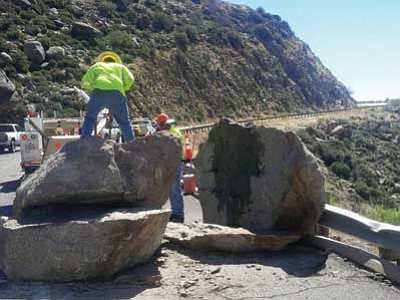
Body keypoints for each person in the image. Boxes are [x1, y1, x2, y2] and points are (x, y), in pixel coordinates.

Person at [80, 51, 135, 142]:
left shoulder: (97, 66)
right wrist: (124, 88)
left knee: (90, 118)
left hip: (98, 92)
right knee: (124, 121)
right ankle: (131, 143)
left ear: (102, 60)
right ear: (116, 61)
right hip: (117, 93)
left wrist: (92, 87)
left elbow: (84, 82)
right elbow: (131, 79)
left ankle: (84, 141)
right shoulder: (121, 67)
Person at [156, 113, 184, 223]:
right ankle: (176, 213)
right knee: (172, 189)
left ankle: (178, 214)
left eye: (160, 125)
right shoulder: (172, 132)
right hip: (169, 164)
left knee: (174, 189)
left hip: (173, 164)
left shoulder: (171, 134)